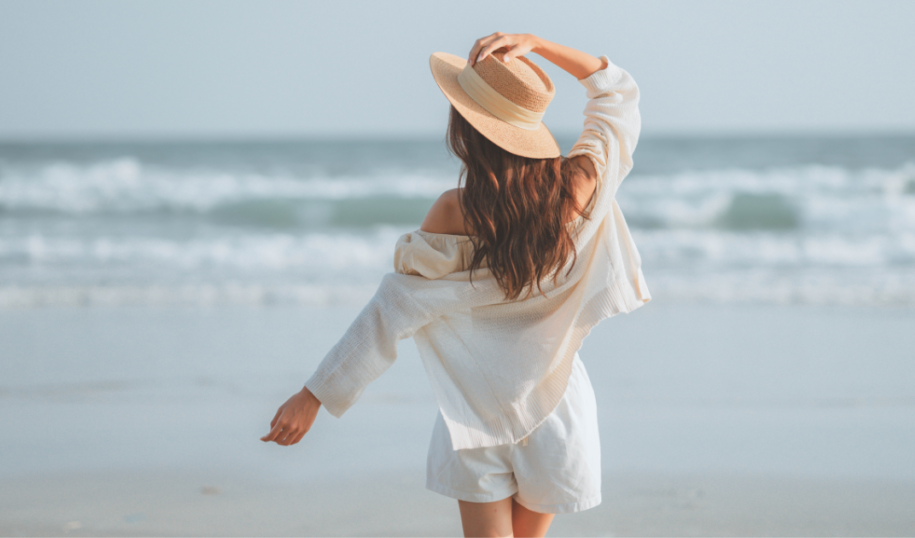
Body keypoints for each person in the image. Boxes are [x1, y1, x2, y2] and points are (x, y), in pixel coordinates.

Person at [260, 32, 651, 538]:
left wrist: (314, 395)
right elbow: (616, 93)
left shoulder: (453, 210)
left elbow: (392, 311)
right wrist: (538, 45)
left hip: (474, 411)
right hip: (557, 402)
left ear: (466, 125)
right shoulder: (580, 185)